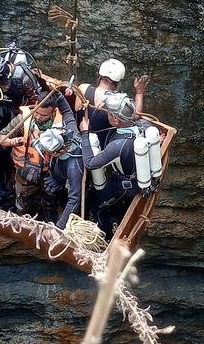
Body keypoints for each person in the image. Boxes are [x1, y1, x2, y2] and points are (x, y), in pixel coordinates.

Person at [78, 92, 151, 237]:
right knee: (114, 205)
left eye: (110, 114)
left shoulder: (117, 146)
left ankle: (107, 238)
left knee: (96, 205)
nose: (108, 115)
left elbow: (90, 163)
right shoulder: (142, 125)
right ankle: (115, 220)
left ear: (116, 119)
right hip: (135, 179)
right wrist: (139, 92)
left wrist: (85, 134)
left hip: (122, 187)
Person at [0, 91, 76, 217]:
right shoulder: (24, 119)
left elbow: (71, 152)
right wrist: (13, 141)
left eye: (43, 115)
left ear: (53, 111)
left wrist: (59, 151)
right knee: (22, 204)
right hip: (25, 172)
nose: (38, 117)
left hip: (49, 175)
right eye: (37, 112)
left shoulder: (62, 127)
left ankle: (48, 217)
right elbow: (1, 138)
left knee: (50, 203)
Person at [76, 59, 150, 133]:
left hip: (80, 135)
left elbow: (76, 109)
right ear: (117, 83)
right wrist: (139, 93)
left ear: (100, 77)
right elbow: (135, 116)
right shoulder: (117, 103)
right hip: (103, 142)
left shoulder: (82, 88)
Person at [36, 128, 84, 229]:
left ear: (59, 151)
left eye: (49, 152)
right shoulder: (62, 140)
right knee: (48, 195)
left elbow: (75, 199)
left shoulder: (74, 167)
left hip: (72, 186)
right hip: (59, 179)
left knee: (68, 205)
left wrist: (60, 226)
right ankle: (49, 217)